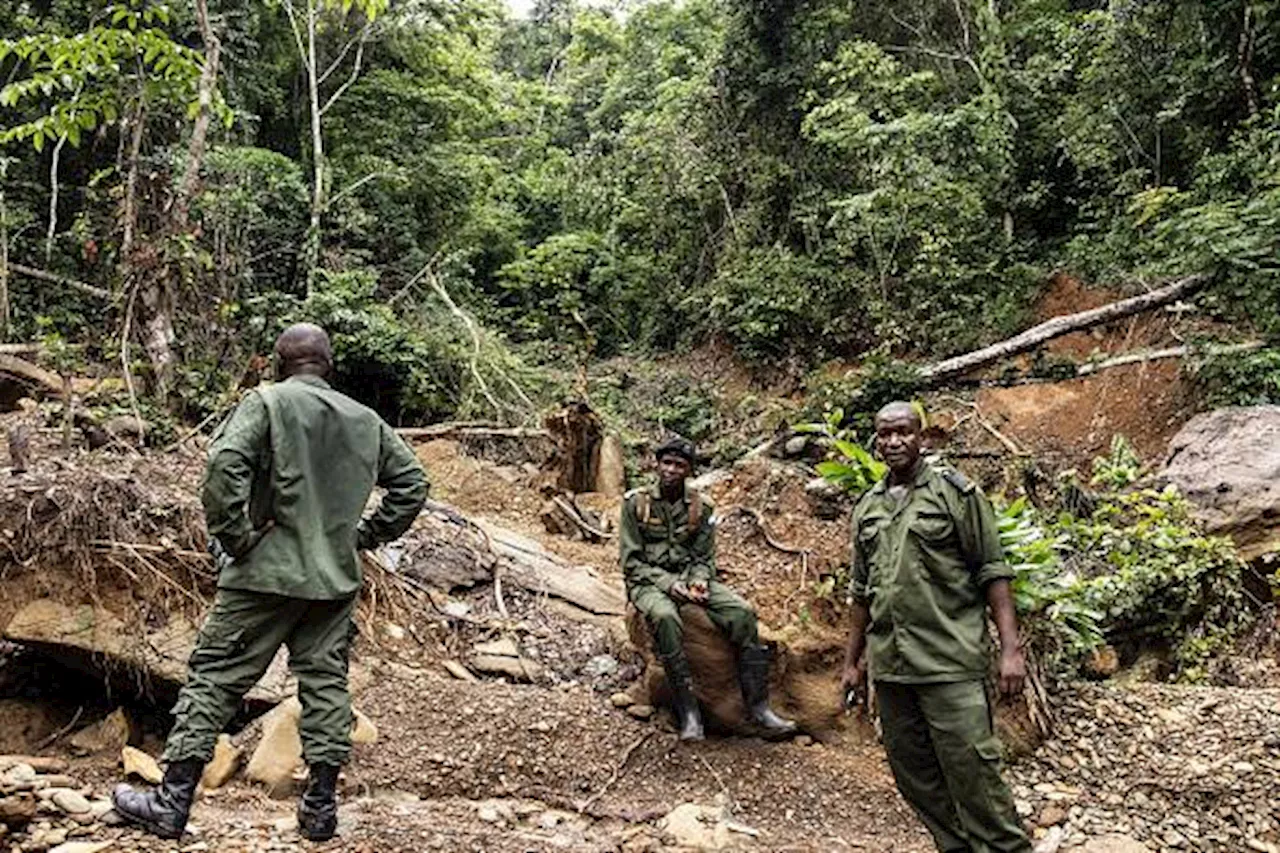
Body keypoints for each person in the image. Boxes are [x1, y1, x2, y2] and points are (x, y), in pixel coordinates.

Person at [113, 324, 428, 842]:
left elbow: (223, 464)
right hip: (333, 579)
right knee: (326, 686)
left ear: (279, 362)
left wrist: (235, 538)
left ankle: (171, 804)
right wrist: (362, 536)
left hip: (263, 574)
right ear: (328, 364)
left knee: (215, 678)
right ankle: (321, 810)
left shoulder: (265, 402)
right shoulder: (365, 420)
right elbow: (412, 484)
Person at [840, 401, 1032, 853]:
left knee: (974, 773)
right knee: (914, 776)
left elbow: (992, 571)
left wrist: (1011, 649)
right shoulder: (867, 507)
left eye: (903, 432)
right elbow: (860, 591)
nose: (893, 442)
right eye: (885, 434)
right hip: (892, 666)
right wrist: (852, 663)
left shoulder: (956, 495)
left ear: (922, 437)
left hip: (949, 660)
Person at [619, 436, 795, 741]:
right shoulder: (637, 503)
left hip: (689, 577)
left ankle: (759, 708)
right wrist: (670, 585)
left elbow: (703, 557)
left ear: (689, 471)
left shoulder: (702, 507)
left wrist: (698, 580)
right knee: (665, 617)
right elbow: (631, 562)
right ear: (656, 465)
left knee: (742, 613)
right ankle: (689, 712)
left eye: (680, 465)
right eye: (667, 463)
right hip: (648, 581)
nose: (671, 470)